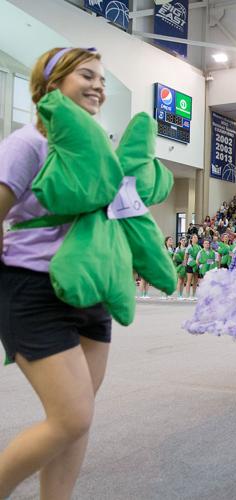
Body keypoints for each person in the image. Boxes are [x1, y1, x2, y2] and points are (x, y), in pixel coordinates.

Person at [0, 47, 113, 500]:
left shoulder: (97, 149)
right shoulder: (26, 144)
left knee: (78, 418)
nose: (99, 86)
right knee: (70, 418)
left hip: (90, 292)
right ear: (52, 85)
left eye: (102, 80)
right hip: (32, 291)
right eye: (87, 75)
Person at [184, 234, 201, 300]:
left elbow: (200, 256)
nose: (195, 238)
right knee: (189, 280)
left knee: (195, 281)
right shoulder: (189, 247)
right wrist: (185, 264)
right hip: (190, 265)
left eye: (196, 237)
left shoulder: (199, 247)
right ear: (191, 239)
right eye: (194, 237)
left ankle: (193, 295)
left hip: (196, 265)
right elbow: (186, 256)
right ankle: (188, 295)